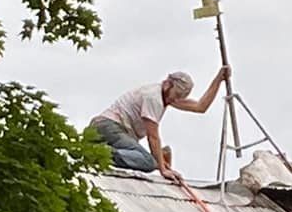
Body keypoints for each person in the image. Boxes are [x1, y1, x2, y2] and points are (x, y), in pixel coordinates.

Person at [88, 67, 230, 181]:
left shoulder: (166, 96)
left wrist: (218, 80)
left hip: (116, 132)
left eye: (179, 98)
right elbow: (153, 137)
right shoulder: (153, 97)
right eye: (174, 96)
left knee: (150, 159)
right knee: (148, 162)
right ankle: (96, 152)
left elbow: (200, 107)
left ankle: (102, 151)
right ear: (168, 84)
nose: (173, 101)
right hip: (109, 127)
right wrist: (162, 169)